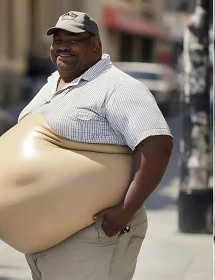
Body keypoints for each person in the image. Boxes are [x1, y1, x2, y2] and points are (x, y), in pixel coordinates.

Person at [18, 11, 173, 279]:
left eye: (72, 39)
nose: (62, 46)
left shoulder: (117, 87)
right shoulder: (52, 84)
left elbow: (157, 144)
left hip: (93, 233)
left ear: (95, 45)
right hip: (47, 234)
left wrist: (126, 211)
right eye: (57, 40)